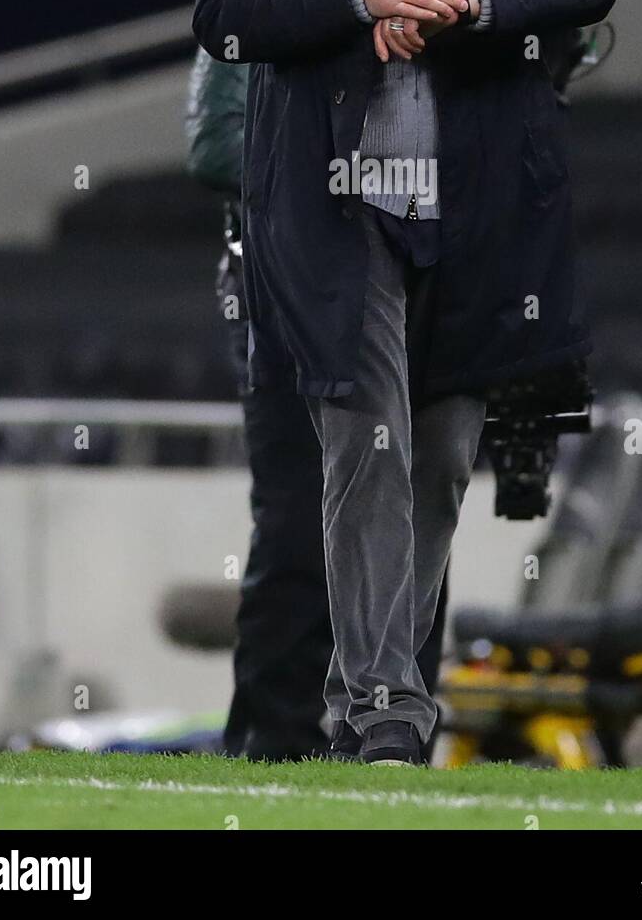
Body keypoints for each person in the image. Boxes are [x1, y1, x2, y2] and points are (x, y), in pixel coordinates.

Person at [192, 0, 619, 765]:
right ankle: (384, 708)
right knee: (365, 442)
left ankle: (378, 701)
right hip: (331, 205)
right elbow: (225, 11)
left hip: (474, 204)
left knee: (438, 456)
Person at [185, 46, 450, 763]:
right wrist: (338, 186)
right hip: (286, 295)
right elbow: (215, 147)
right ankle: (276, 746)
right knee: (299, 522)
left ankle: (392, 738)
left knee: (411, 513)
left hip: (402, 286)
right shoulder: (266, 1)